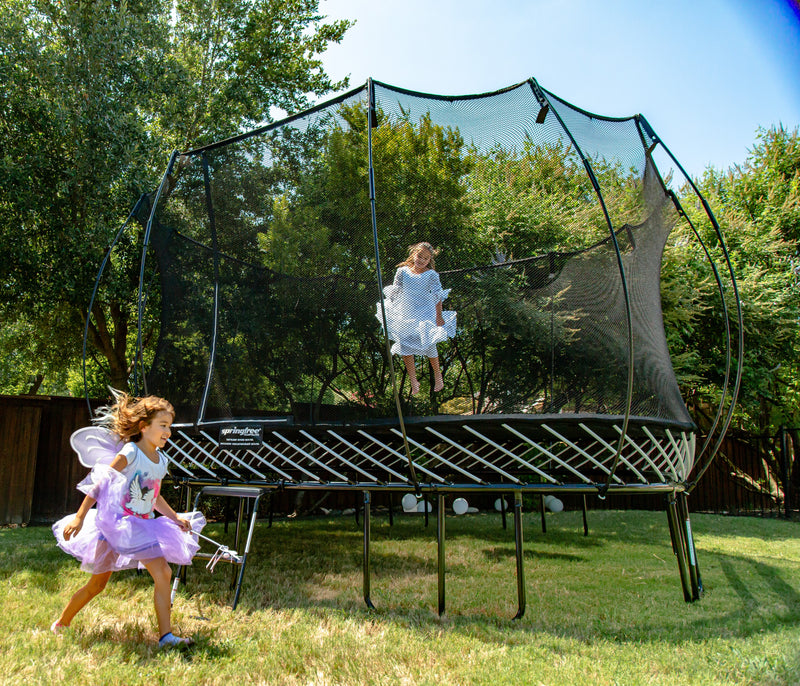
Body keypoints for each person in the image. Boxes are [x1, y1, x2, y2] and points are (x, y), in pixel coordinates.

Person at [50, 392, 205, 649]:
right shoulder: (130, 452)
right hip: (116, 525)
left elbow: (154, 497)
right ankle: (62, 623)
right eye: (163, 426)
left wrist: (175, 517)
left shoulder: (161, 460)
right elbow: (100, 484)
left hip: (140, 526)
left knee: (163, 572)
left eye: (170, 427)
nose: (168, 432)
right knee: (97, 584)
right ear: (144, 427)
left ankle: (166, 637)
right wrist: (79, 517)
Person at [377, 241, 456, 395]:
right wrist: (390, 307)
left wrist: (439, 316)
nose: (421, 260)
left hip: (425, 311)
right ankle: (413, 380)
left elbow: (437, 296)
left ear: (429, 261)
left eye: (425, 259)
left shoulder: (431, 275)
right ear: (414, 254)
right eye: (419, 256)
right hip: (407, 311)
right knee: (405, 344)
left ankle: (438, 375)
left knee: (429, 343)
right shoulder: (402, 271)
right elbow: (396, 290)